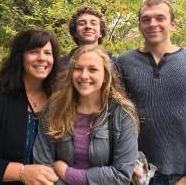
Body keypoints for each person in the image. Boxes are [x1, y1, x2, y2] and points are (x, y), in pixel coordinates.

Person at [34, 45, 139, 185]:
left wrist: (68, 173)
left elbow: (121, 175)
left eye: (93, 69)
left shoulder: (122, 114)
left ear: (106, 75)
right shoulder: (54, 109)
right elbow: (43, 166)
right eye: (78, 69)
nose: (84, 75)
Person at [116, 0, 186, 185]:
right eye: (146, 19)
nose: (152, 24)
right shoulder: (123, 63)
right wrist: (124, 166)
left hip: (181, 174)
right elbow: (115, 116)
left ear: (173, 24)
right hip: (137, 172)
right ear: (139, 25)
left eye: (160, 18)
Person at [0, 29, 60, 185]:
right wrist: (21, 172)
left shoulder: (59, 100)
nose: (42, 58)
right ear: (20, 57)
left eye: (48, 53)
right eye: (34, 52)